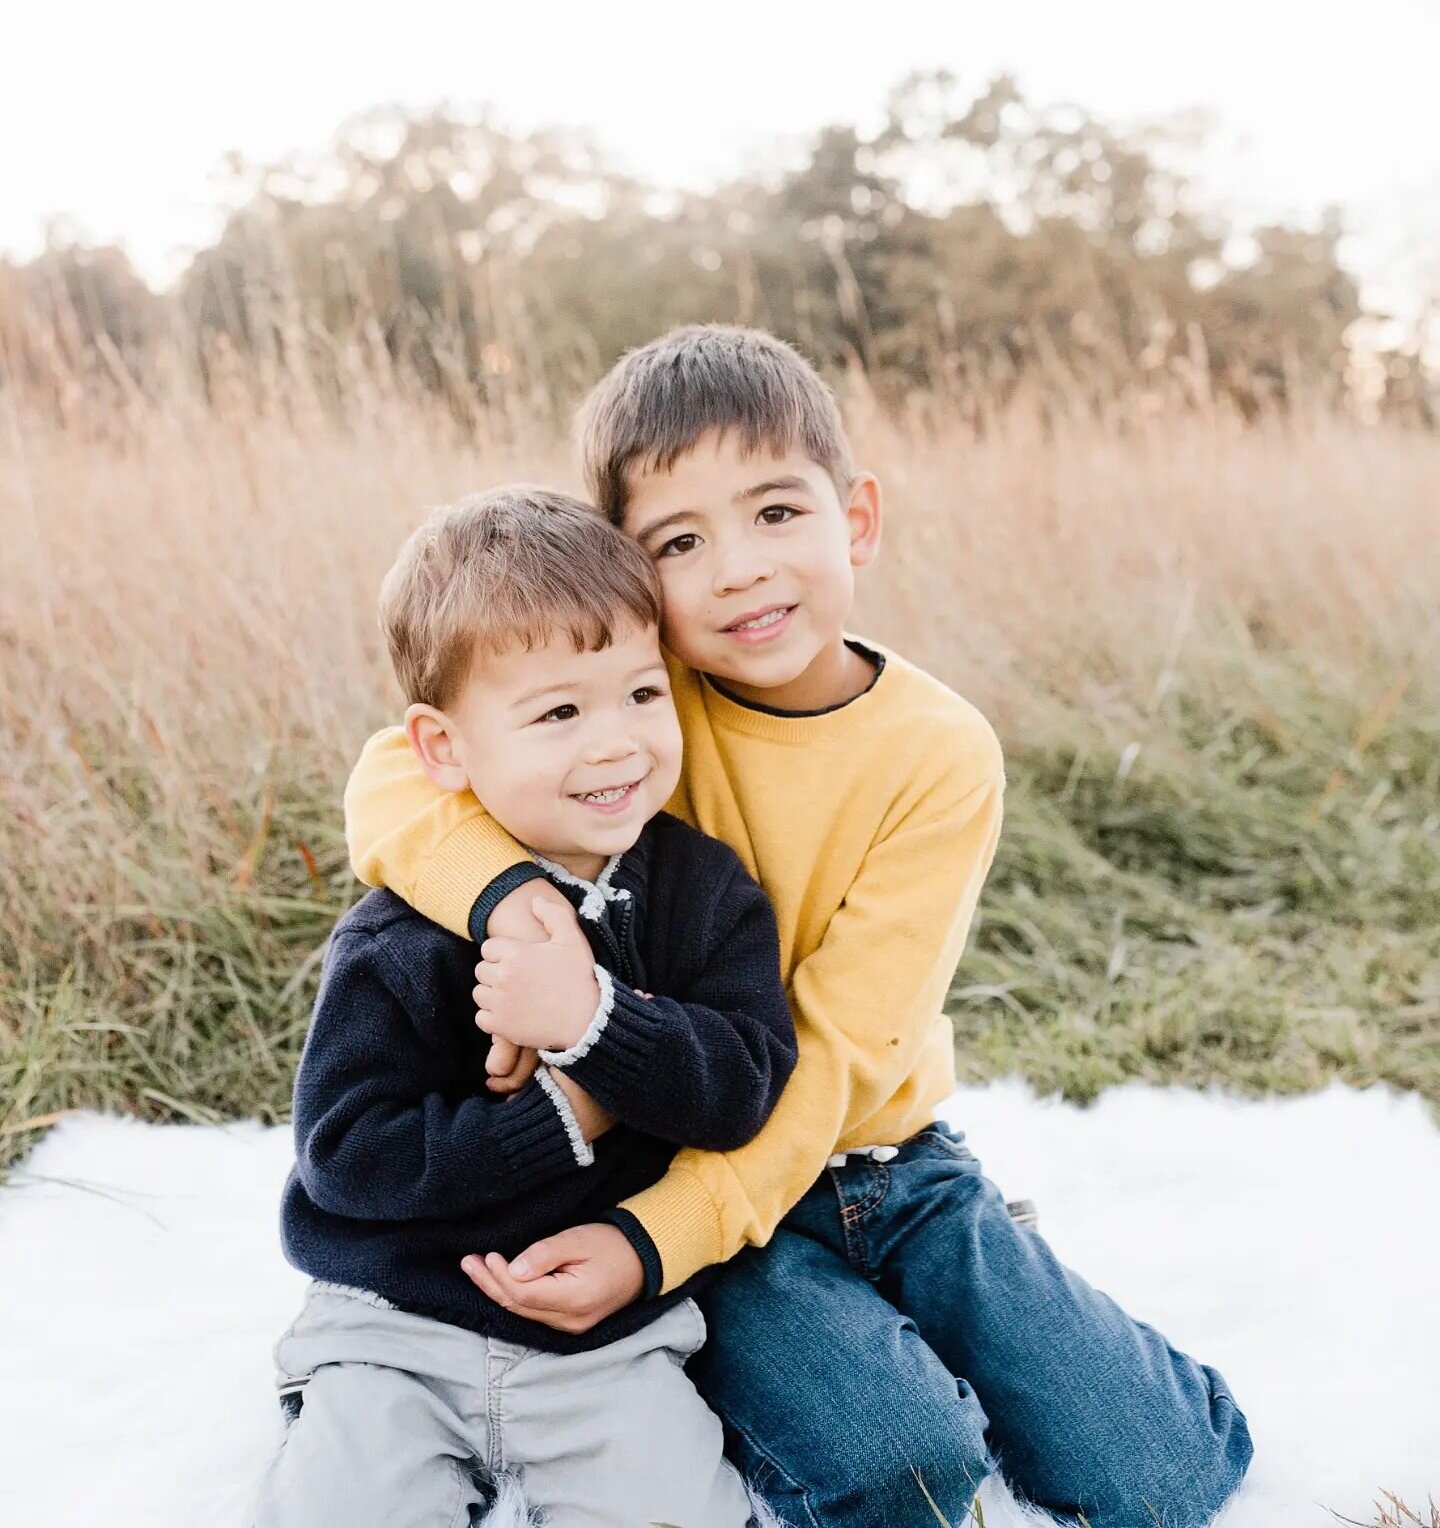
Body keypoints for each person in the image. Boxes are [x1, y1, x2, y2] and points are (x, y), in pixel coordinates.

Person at [345, 325, 1254, 1528]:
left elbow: (833, 1058)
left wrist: (650, 1244)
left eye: (777, 512)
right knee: (907, 1465)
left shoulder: (937, 754)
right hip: (686, 1148)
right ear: (630, 574)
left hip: (885, 1156)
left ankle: (999, 1302)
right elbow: (391, 782)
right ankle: (822, 1352)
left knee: (1158, 1476)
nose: (737, 571)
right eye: (680, 541)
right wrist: (519, 903)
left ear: (856, 518)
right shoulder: (635, 712)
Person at [252, 486, 796, 1528]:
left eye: (643, 693)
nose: (617, 743)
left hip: (606, 1346)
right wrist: (558, 1122)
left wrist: (597, 1026)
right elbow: (347, 1151)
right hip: (395, 1326)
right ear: (444, 747)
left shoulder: (704, 893)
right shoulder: (399, 932)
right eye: (558, 711)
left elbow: (742, 1084)